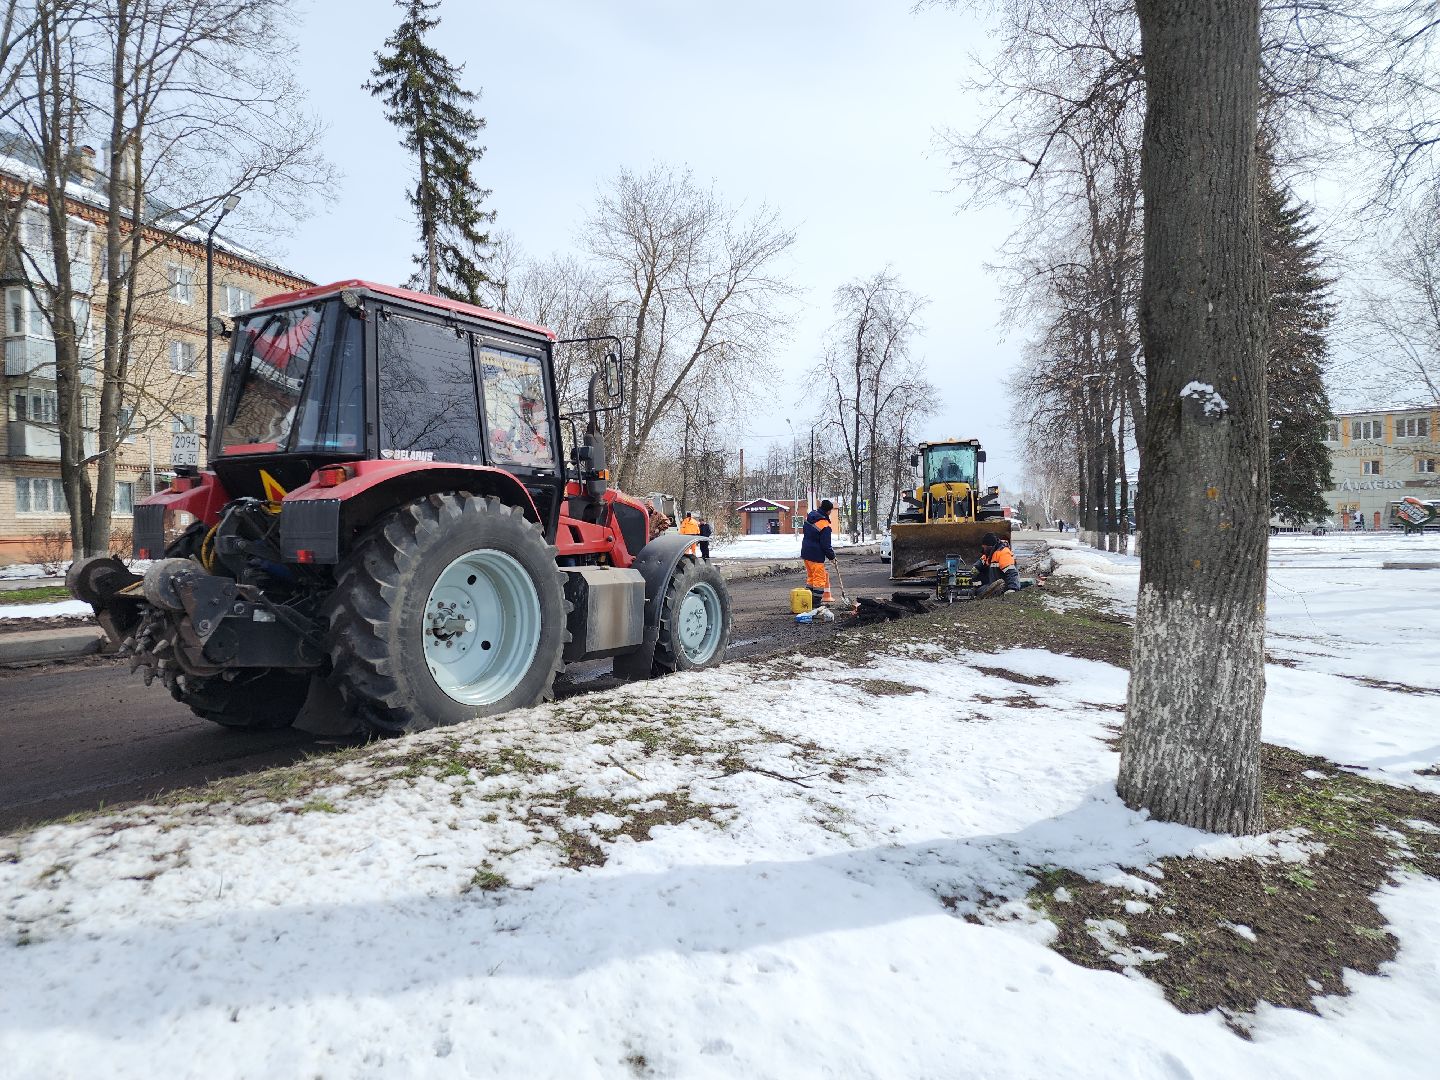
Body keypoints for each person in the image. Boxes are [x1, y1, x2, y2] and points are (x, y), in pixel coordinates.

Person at [801, 499, 837, 607]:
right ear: (828, 511)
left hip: (806, 552)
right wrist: (832, 557)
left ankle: (808, 600)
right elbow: (826, 545)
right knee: (819, 578)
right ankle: (816, 602)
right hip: (816, 555)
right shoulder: (824, 524)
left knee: (811, 578)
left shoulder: (811, 516)